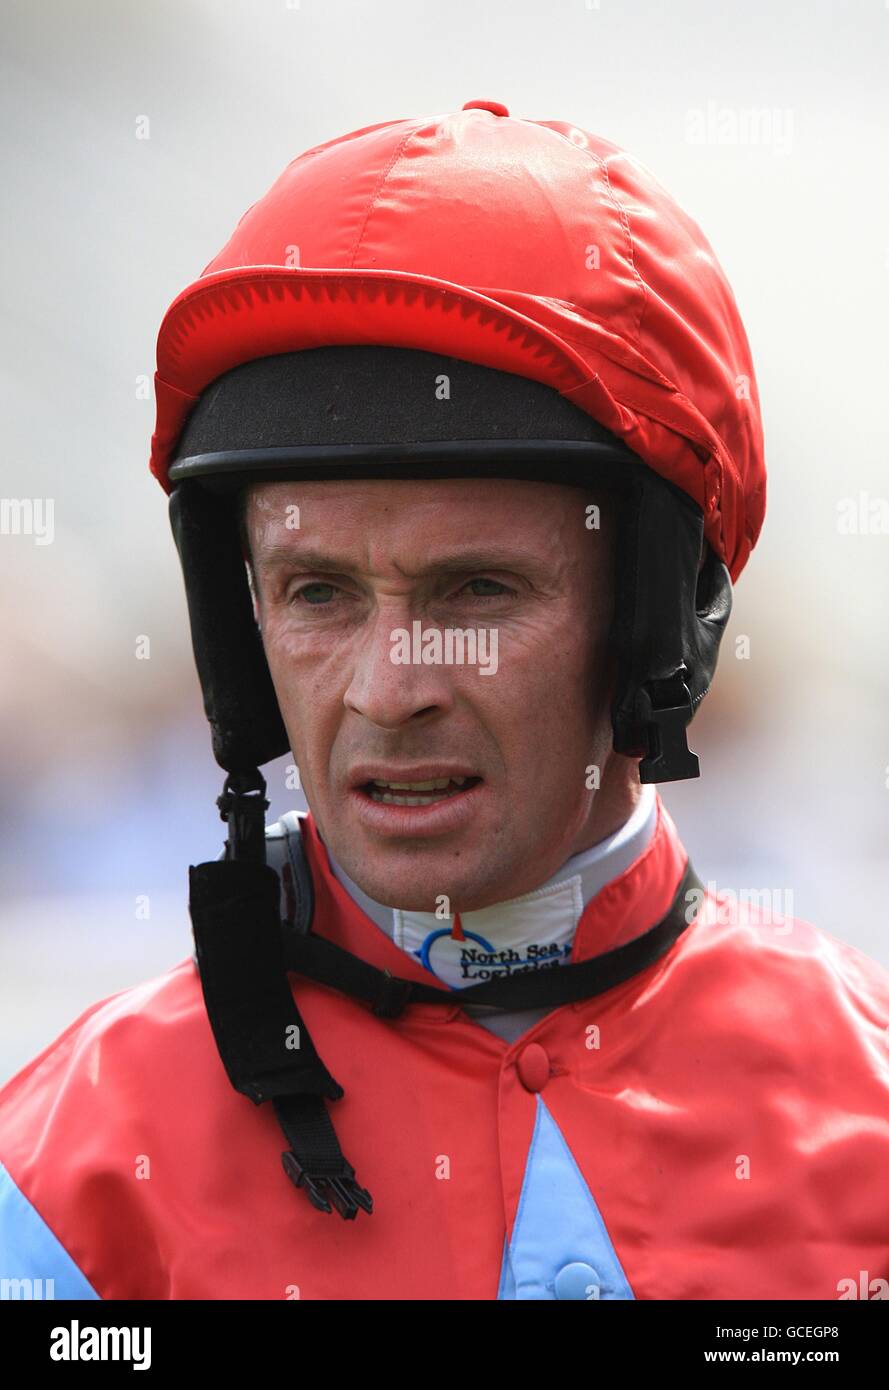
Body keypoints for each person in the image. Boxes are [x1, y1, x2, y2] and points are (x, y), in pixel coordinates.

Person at [2, 100, 888, 1303]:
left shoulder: (867, 1116)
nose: (385, 689)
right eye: (317, 593)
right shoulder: (60, 1186)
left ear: (654, 624)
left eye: (474, 588)